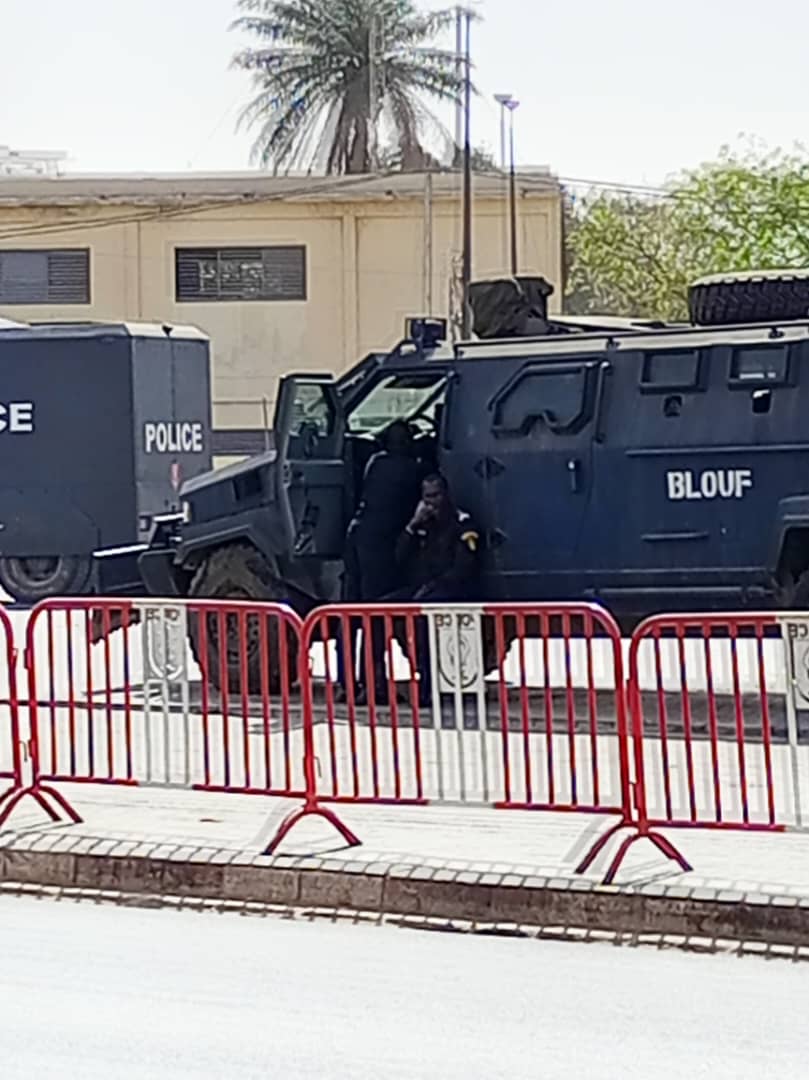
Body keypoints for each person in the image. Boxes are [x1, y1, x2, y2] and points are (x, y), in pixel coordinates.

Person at [337, 421, 424, 700]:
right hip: (378, 546)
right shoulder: (411, 470)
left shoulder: (375, 463)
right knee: (376, 613)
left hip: (355, 536)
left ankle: (346, 683)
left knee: (349, 612)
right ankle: (373, 685)